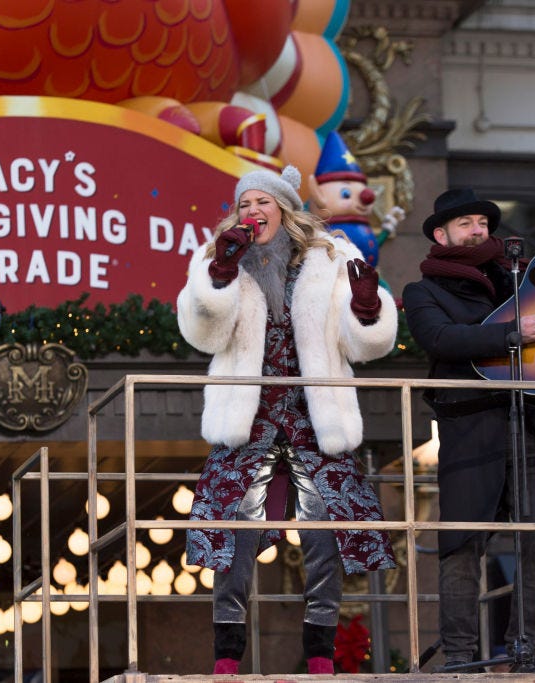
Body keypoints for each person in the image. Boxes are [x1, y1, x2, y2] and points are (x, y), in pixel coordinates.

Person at [177, 165, 399, 675]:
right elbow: (201, 333)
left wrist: (367, 309)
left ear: (284, 209)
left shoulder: (332, 256)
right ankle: (227, 659)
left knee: (325, 538)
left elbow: (365, 341)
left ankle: (320, 654)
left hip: (313, 417)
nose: (253, 212)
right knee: (232, 538)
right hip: (248, 419)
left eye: (263, 203)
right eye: (245, 204)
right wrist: (221, 276)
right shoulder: (216, 256)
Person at [401, 188, 535, 671]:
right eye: (465, 223)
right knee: (461, 544)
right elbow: (439, 338)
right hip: (471, 426)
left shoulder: (518, 274)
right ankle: (459, 657)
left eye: (483, 222)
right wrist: (508, 334)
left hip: (534, 422)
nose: (478, 230)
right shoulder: (423, 291)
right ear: (441, 234)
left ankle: (526, 652)